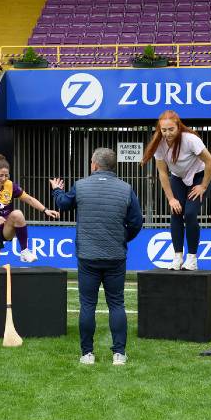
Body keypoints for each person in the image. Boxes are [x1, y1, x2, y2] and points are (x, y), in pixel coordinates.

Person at [50, 148, 143, 365]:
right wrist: (122, 238)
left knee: (87, 305)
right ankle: (119, 354)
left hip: (88, 256)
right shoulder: (126, 188)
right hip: (115, 256)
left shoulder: (81, 186)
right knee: (117, 304)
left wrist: (56, 190)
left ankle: (87, 354)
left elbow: (63, 204)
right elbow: (137, 222)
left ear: (94, 165)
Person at [141, 110, 211, 271]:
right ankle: (177, 257)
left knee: (189, 213)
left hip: (199, 176)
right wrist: (171, 199)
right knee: (176, 211)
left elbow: (210, 162)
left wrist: (203, 186)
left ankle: (192, 259)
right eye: (164, 130)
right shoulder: (160, 144)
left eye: (171, 129)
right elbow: (162, 172)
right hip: (178, 178)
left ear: (178, 127)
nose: (167, 133)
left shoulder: (190, 140)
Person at [0, 154, 59, 267]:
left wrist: (45, 210)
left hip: (5, 228)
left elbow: (28, 199)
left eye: (6, 175)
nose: (4, 179)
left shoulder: (10, 185)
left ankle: (24, 251)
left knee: (17, 214)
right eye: (0, 175)